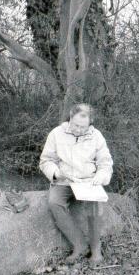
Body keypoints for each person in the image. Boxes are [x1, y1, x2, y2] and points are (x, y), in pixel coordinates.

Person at [39, 103, 113, 265]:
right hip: (64, 180)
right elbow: (46, 161)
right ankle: (79, 245)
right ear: (70, 118)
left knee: (95, 205)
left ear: (90, 124)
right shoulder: (56, 134)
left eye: (83, 127)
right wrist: (57, 173)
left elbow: (105, 162)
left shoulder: (97, 136)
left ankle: (95, 250)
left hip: (88, 181)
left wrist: (101, 176)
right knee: (54, 202)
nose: (79, 129)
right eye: (76, 125)